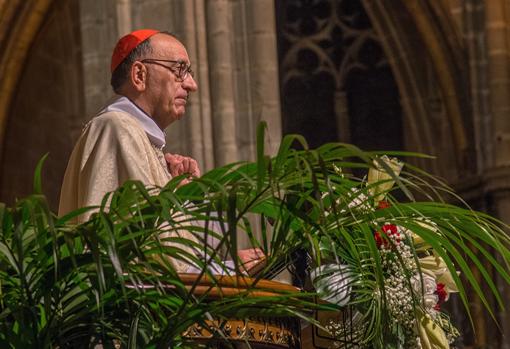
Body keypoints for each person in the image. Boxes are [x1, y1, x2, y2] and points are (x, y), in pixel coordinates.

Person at [59, 29, 263, 274]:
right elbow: (146, 255)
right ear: (139, 75)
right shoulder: (116, 128)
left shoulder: (147, 144)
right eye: (179, 70)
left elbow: (189, 251)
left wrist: (189, 195)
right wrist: (226, 271)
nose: (191, 84)